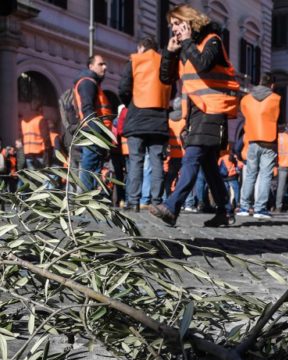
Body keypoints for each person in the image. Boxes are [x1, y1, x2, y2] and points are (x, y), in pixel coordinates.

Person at [150, 4, 239, 227]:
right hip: (198, 111)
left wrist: (187, 42)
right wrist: (169, 53)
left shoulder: (213, 40)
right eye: (172, 26)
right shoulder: (185, 47)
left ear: (190, 21)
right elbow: (166, 79)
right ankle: (224, 211)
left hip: (213, 109)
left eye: (178, 24)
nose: (175, 30)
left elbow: (203, 64)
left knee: (191, 158)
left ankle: (172, 207)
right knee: (209, 165)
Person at [119, 36, 172, 212]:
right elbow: (173, 89)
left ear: (141, 47)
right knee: (157, 161)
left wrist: (130, 104)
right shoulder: (164, 61)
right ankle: (156, 202)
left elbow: (124, 88)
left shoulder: (134, 61)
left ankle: (133, 202)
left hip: (137, 117)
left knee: (136, 161)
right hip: (158, 119)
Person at [237, 73, 280, 219]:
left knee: (250, 174)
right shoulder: (276, 98)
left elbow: (245, 115)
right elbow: (278, 117)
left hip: (252, 138)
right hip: (269, 140)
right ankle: (260, 209)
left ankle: (243, 206)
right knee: (265, 175)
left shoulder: (245, 99)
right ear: (272, 85)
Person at [74, 54, 113, 192]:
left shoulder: (92, 82)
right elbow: (87, 108)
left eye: (105, 64)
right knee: (89, 165)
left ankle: (88, 199)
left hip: (94, 131)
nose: (105, 67)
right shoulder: (87, 82)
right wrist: (96, 131)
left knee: (93, 165)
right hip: (93, 131)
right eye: (101, 64)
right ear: (91, 66)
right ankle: (84, 199)